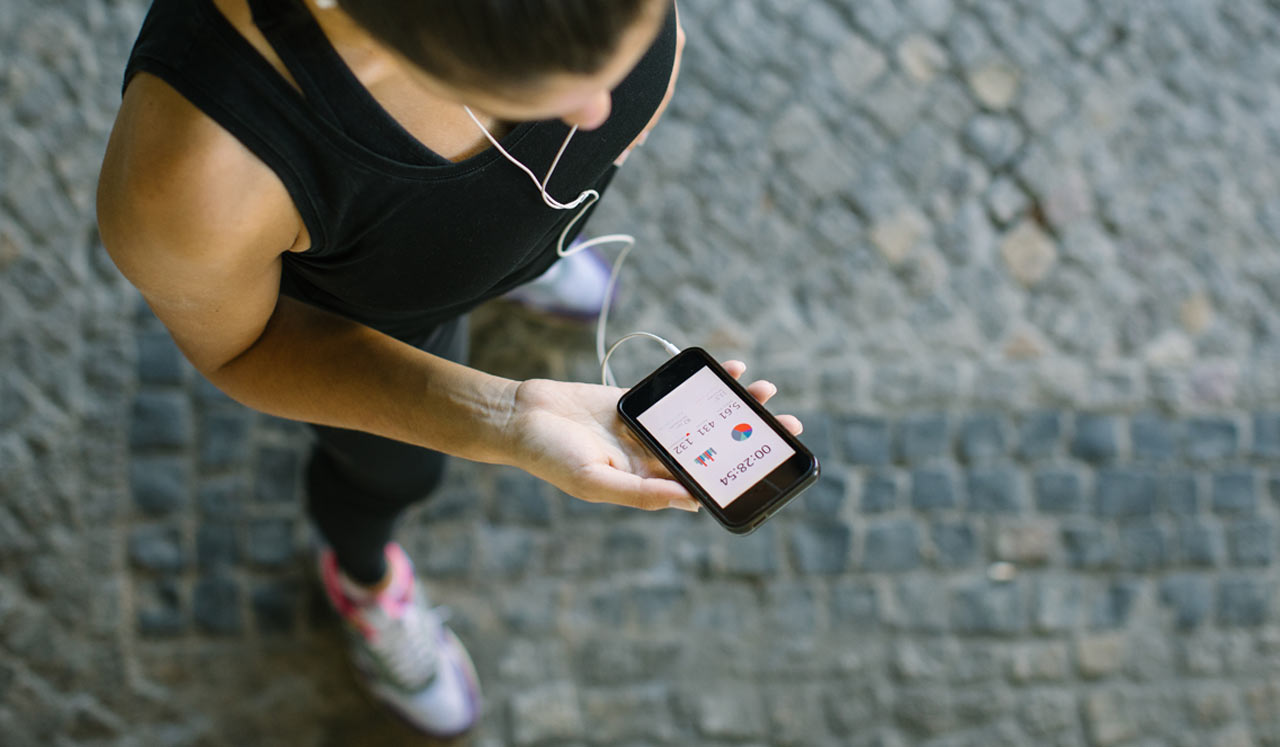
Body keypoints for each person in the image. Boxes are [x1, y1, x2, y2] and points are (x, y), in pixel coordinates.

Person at [98, 0, 801, 737]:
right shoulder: (195, 176)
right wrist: (505, 415)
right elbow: (244, 345)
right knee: (394, 475)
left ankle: (517, 249)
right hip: (380, 325)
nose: (597, 109)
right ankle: (365, 581)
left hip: (491, 227)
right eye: (544, 87)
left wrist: (515, 232)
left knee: (497, 235)